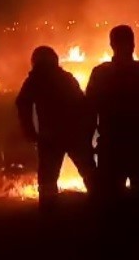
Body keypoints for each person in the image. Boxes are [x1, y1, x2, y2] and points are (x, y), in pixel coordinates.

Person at [85, 25, 139, 203]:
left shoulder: (100, 73)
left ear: (111, 44)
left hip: (112, 147)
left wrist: (87, 145)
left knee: (112, 203)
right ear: (133, 44)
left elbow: (89, 110)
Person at [14, 45, 96, 204]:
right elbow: (83, 104)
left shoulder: (35, 79)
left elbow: (22, 103)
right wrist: (86, 133)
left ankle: (48, 213)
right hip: (74, 134)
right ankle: (100, 207)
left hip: (50, 136)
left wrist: (29, 131)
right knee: (88, 172)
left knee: (47, 179)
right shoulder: (66, 77)